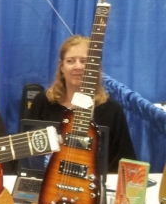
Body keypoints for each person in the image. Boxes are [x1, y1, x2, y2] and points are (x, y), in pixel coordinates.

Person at [29, 34, 136, 173]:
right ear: (61, 67)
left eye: (84, 61)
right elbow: (28, 156)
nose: (78, 67)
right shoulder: (42, 102)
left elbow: (124, 162)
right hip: (46, 183)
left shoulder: (112, 110)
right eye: (70, 61)